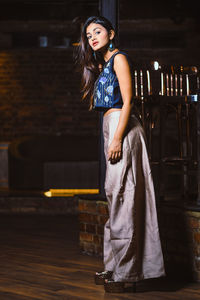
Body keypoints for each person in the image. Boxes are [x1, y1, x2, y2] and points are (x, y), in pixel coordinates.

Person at [76, 16, 165, 293]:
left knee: (124, 196)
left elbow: (128, 102)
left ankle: (127, 271)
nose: (92, 37)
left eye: (98, 31)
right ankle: (115, 265)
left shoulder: (119, 59)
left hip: (122, 129)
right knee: (115, 196)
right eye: (89, 34)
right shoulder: (102, 65)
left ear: (111, 33)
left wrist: (116, 138)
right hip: (111, 126)